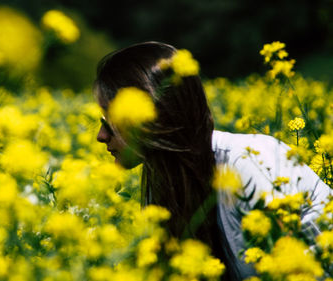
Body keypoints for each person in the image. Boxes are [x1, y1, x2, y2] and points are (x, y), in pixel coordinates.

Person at [94, 41, 332, 281]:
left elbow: (287, 271)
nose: (100, 136)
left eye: (109, 121)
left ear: (151, 116)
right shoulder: (162, 186)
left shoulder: (247, 162)